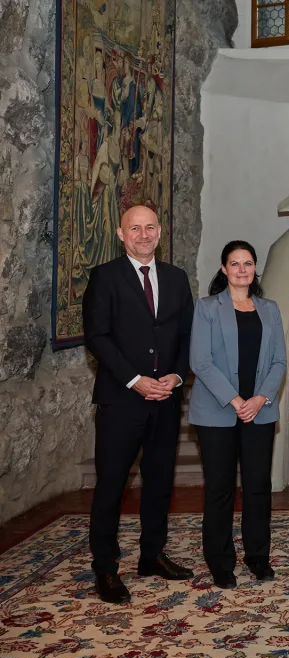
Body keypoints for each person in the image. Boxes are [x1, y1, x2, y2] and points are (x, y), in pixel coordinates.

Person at [82, 204, 195, 604]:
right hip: (121, 401)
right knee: (111, 486)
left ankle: (152, 555)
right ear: (120, 233)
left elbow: (186, 336)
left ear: (160, 233)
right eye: (135, 228)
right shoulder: (105, 278)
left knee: (160, 482)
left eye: (149, 227)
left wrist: (176, 377)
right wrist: (135, 380)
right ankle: (106, 569)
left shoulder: (177, 279)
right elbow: (97, 337)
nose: (143, 234)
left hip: (165, 400)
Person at [188, 240, 286, 589]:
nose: (242, 269)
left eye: (248, 263)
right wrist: (234, 399)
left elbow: (279, 361)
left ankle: (258, 557)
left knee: (258, 486)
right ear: (224, 269)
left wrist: (260, 398)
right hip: (217, 413)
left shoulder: (270, 309)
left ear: (255, 268)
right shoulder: (206, 308)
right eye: (234, 263)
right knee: (220, 488)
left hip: (260, 411)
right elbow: (200, 361)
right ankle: (220, 562)